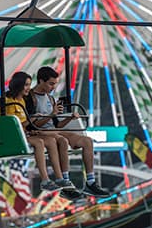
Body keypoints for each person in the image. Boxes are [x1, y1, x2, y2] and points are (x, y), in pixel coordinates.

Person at [25, 66, 110, 197]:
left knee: (87, 141)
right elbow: (32, 125)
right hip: (40, 132)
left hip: (54, 130)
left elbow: (57, 124)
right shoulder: (30, 98)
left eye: (55, 84)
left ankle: (91, 182)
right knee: (62, 140)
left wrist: (70, 118)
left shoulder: (51, 98)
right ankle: (65, 182)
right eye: (50, 84)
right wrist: (51, 114)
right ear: (41, 81)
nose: (53, 87)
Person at [4, 71, 70, 193]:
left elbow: (24, 123)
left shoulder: (22, 101)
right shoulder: (9, 102)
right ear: (18, 85)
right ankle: (45, 180)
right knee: (39, 142)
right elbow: (12, 125)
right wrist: (32, 120)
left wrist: (31, 123)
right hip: (16, 136)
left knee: (51, 141)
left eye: (29, 84)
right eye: (26, 85)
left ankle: (60, 177)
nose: (29, 88)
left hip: (25, 133)